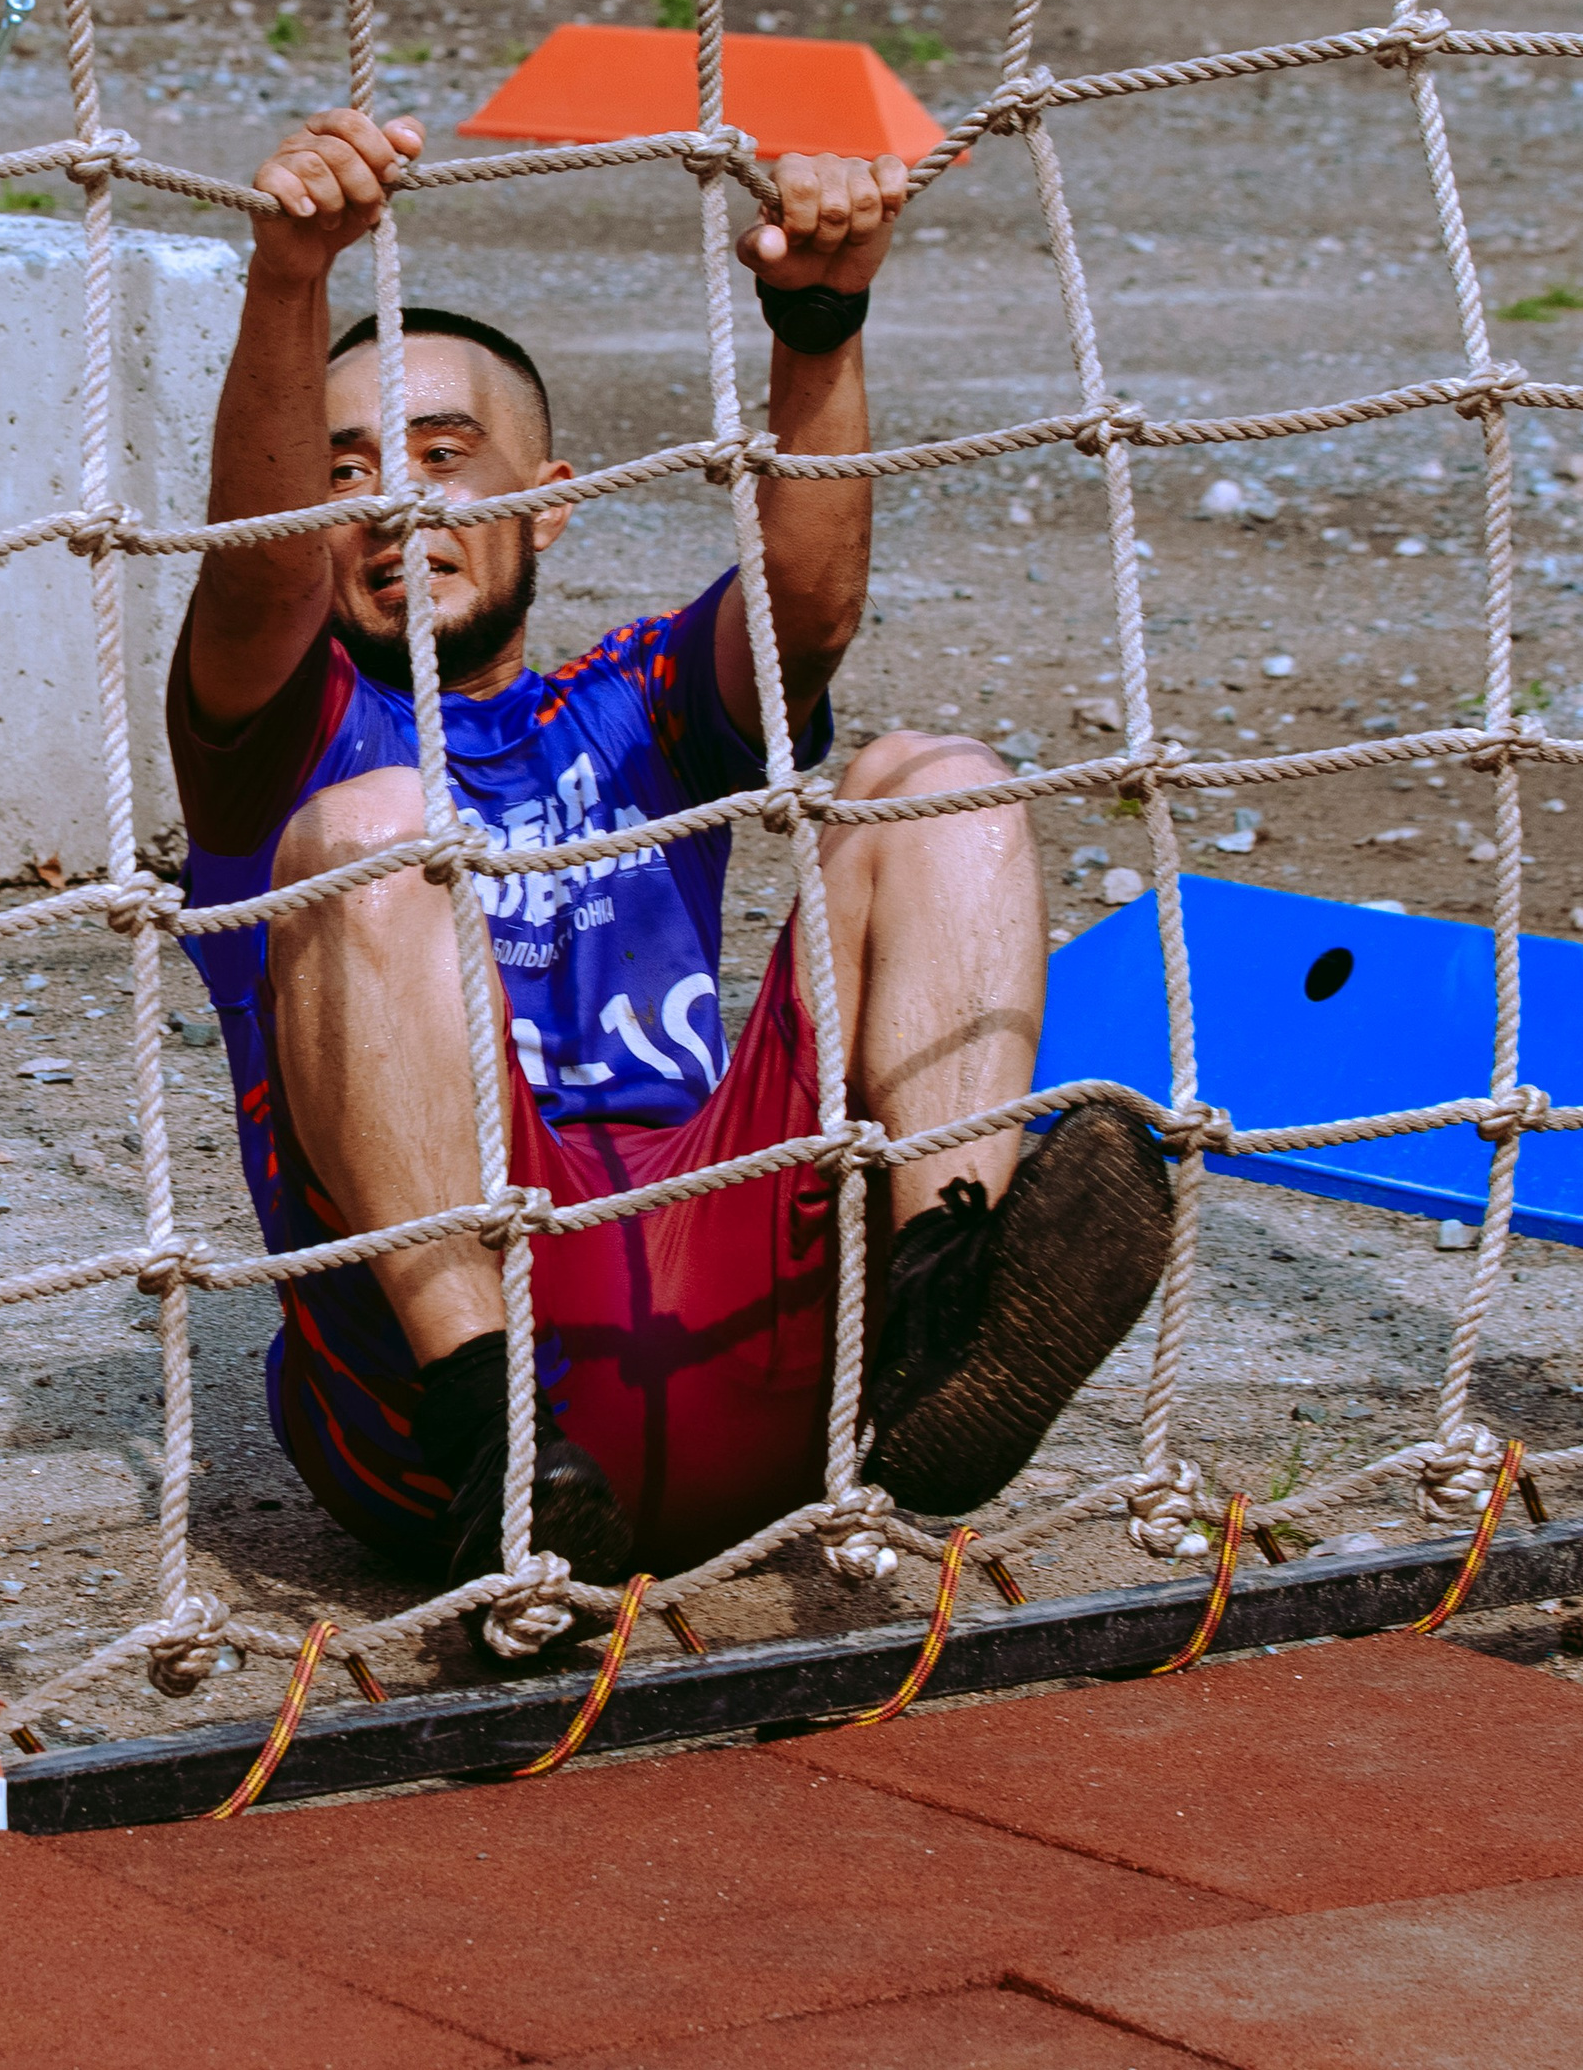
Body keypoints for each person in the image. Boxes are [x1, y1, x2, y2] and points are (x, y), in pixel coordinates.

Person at [169, 102, 1172, 1592]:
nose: (393, 502)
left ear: (550, 503)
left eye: (443, 456)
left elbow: (805, 617)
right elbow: (255, 574)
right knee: (380, 835)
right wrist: (290, 278)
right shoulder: (280, 733)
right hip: (433, 1407)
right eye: (346, 472)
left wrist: (819, 325)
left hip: (734, 1310)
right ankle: (496, 1436)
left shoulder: (627, 708)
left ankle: (949, 1319)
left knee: (938, 780)